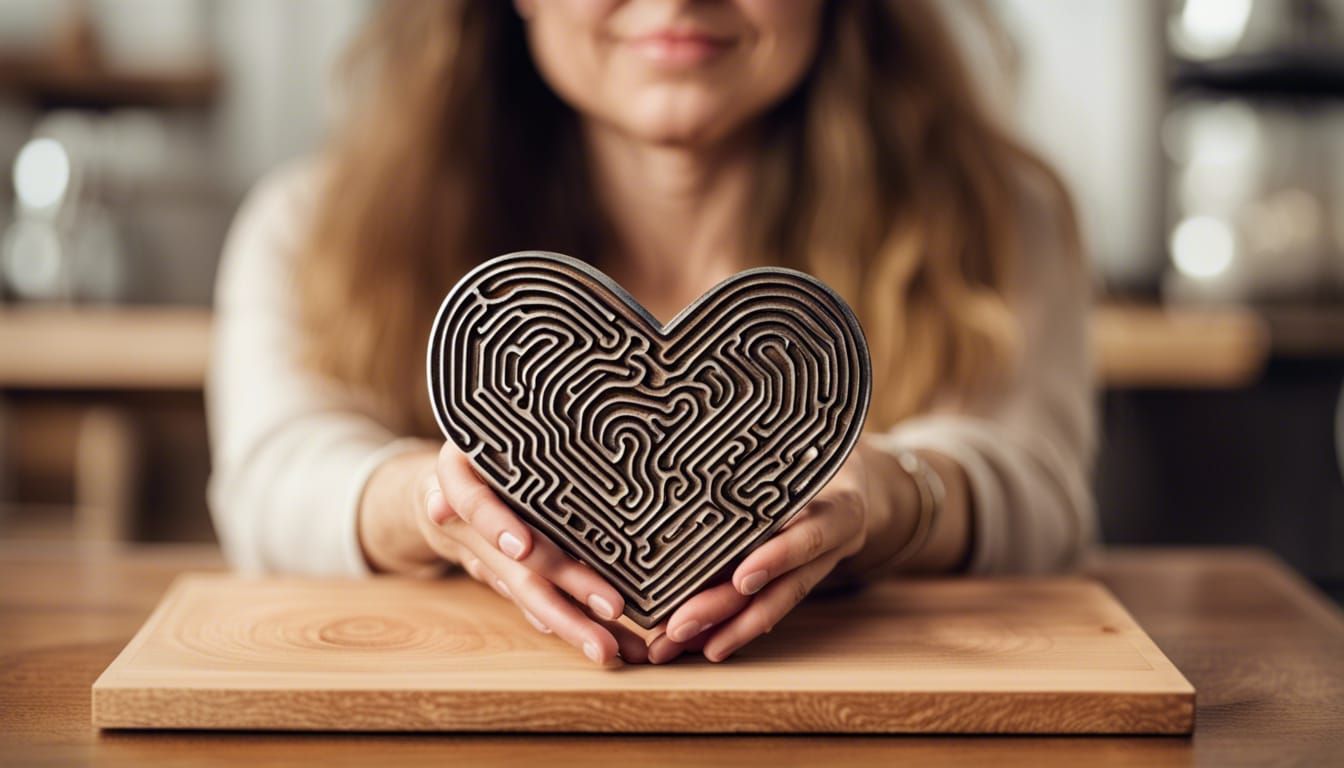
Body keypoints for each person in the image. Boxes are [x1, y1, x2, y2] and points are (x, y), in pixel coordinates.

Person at [208, 0, 1095, 666]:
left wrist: (895, 498)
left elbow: (1046, 499)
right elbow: (270, 481)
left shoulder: (997, 219)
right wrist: (430, 506)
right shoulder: (311, 226)